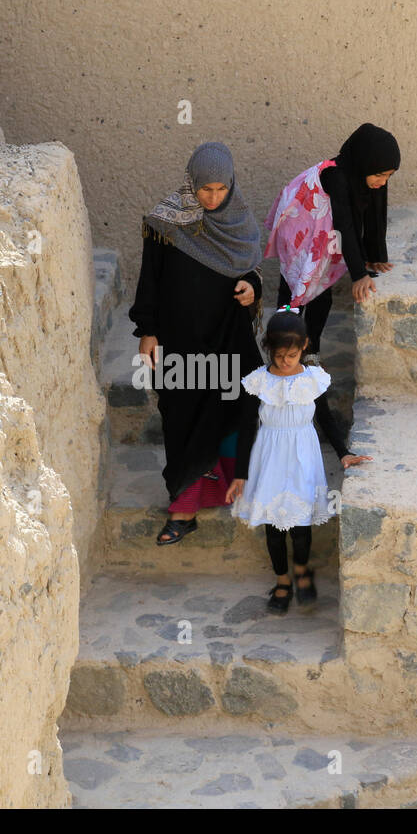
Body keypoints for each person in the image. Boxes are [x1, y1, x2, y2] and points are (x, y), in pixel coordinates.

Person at [130, 141, 265, 546]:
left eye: (220, 189)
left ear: (231, 185)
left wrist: (252, 287)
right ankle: (185, 508)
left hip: (227, 335)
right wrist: (147, 332)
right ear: (191, 184)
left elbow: (252, 269)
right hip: (178, 340)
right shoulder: (164, 223)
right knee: (182, 416)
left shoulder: (240, 220)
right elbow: (149, 279)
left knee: (232, 406)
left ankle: (228, 488)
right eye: (205, 189)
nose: (213, 197)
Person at [226, 309, 372, 613]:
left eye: (291, 355)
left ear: (304, 346)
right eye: (279, 355)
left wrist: (343, 452)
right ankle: (282, 581)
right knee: (273, 526)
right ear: (269, 348)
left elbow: (326, 419)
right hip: (268, 458)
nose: (284, 361)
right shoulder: (258, 383)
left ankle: (302, 572)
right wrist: (240, 475)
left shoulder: (312, 380)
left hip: (304, 456)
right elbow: (245, 430)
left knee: (301, 524)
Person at [269, 123, 400, 361]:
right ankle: (281, 352)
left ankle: (310, 351)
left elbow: (372, 214)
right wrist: (359, 273)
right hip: (300, 238)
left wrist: (375, 256)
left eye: (389, 175)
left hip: (321, 236)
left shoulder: (364, 176)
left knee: (321, 295)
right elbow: (345, 224)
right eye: (380, 175)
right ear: (364, 163)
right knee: (293, 294)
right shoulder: (337, 176)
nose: (383, 182)